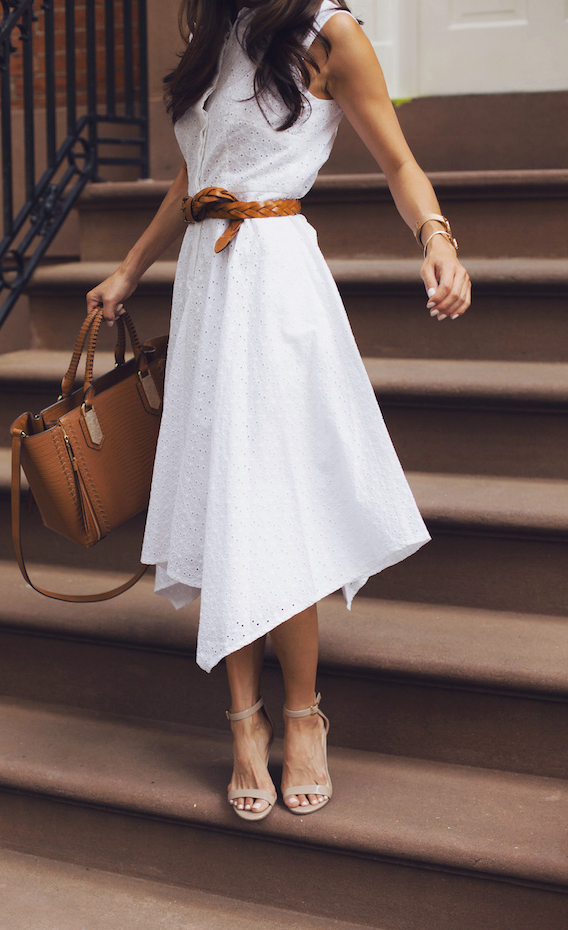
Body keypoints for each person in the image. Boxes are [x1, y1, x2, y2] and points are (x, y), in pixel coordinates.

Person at [86, 0, 471, 822]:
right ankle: (243, 722)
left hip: (277, 285)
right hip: (208, 285)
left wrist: (436, 238)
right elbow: (197, 181)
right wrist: (128, 271)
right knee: (229, 500)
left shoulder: (329, 33)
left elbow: (398, 164)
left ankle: (302, 716)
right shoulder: (210, 34)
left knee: (275, 502)